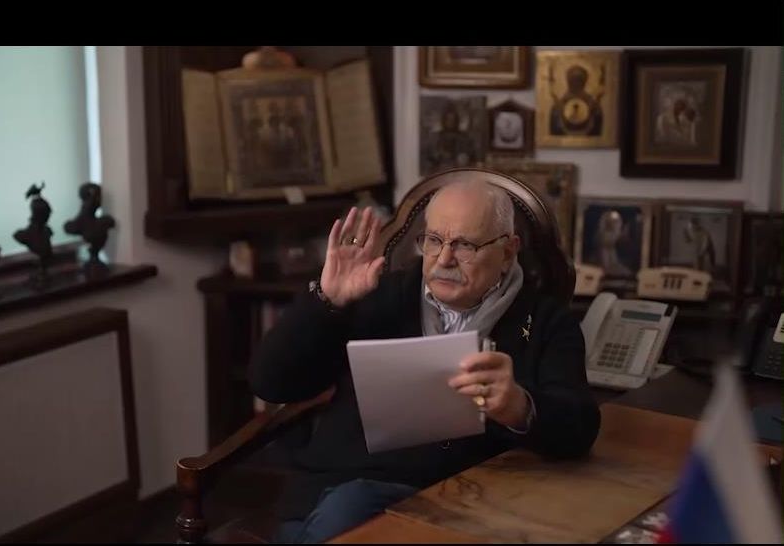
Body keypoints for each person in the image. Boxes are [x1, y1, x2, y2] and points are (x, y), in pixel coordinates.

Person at [250, 181, 601, 544]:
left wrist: (519, 407)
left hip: (462, 507)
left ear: (508, 251)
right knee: (351, 505)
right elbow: (271, 383)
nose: (444, 259)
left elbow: (580, 430)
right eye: (434, 240)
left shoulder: (545, 322)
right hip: (340, 490)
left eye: (464, 245)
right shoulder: (375, 293)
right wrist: (327, 301)